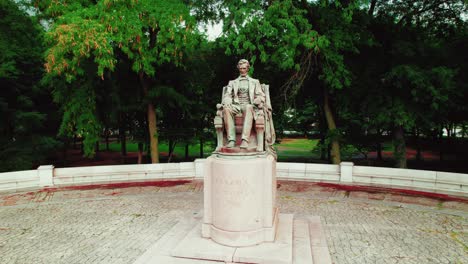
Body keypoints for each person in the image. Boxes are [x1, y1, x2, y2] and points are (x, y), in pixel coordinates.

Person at [222, 59, 265, 148]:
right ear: (238, 68)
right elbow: (227, 95)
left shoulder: (255, 81)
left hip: (249, 105)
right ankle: (231, 140)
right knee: (226, 109)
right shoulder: (232, 82)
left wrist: (258, 99)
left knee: (249, 107)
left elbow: (261, 96)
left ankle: (245, 140)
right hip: (236, 106)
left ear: (248, 68)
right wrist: (227, 99)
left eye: (244, 68)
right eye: (240, 68)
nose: (242, 70)